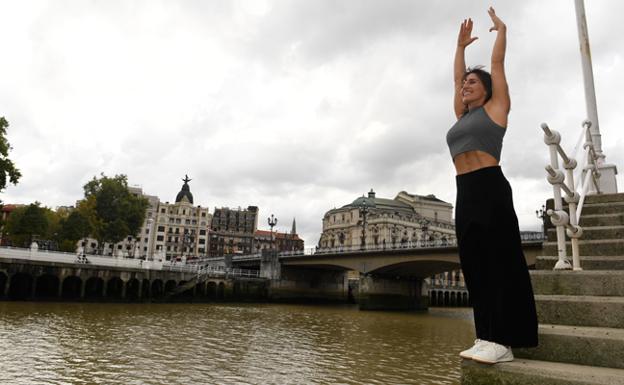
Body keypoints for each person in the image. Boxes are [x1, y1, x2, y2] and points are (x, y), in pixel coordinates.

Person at [446, 7, 538, 364]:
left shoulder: (496, 109)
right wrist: (459, 49)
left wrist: (501, 31)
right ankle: (485, 335)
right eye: (465, 82)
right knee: (475, 265)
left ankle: (505, 340)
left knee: (500, 263)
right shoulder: (462, 117)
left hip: (490, 188)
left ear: (487, 92)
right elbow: (456, 80)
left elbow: (497, 67)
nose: (466, 85)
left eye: (473, 83)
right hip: (464, 191)